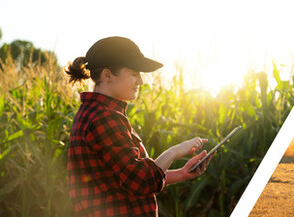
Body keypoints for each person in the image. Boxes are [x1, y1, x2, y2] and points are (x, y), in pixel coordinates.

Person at [65, 36, 211, 217]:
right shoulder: (104, 118)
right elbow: (142, 181)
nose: (141, 81)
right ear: (107, 75)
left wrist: (181, 174)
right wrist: (174, 152)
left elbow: (125, 180)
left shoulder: (91, 112)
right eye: (134, 73)